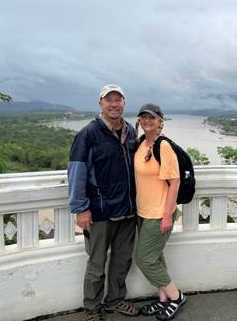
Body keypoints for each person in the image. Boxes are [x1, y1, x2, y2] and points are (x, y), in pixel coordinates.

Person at [68, 84, 139, 321]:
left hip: (127, 209)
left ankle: (115, 300)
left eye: (118, 100)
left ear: (124, 104)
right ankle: (92, 308)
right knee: (97, 264)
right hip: (99, 211)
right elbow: (77, 172)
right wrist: (80, 208)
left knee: (122, 259)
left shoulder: (130, 132)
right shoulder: (88, 134)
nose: (114, 104)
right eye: (109, 100)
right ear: (101, 104)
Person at [134, 103, 187, 321]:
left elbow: (174, 182)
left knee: (144, 260)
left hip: (159, 212)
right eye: (143, 117)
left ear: (159, 122)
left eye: (152, 118)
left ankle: (176, 296)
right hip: (143, 211)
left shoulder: (163, 146)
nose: (147, 121)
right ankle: (162, 300)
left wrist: (167, 215)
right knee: (156, 257)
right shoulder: (140, 144)